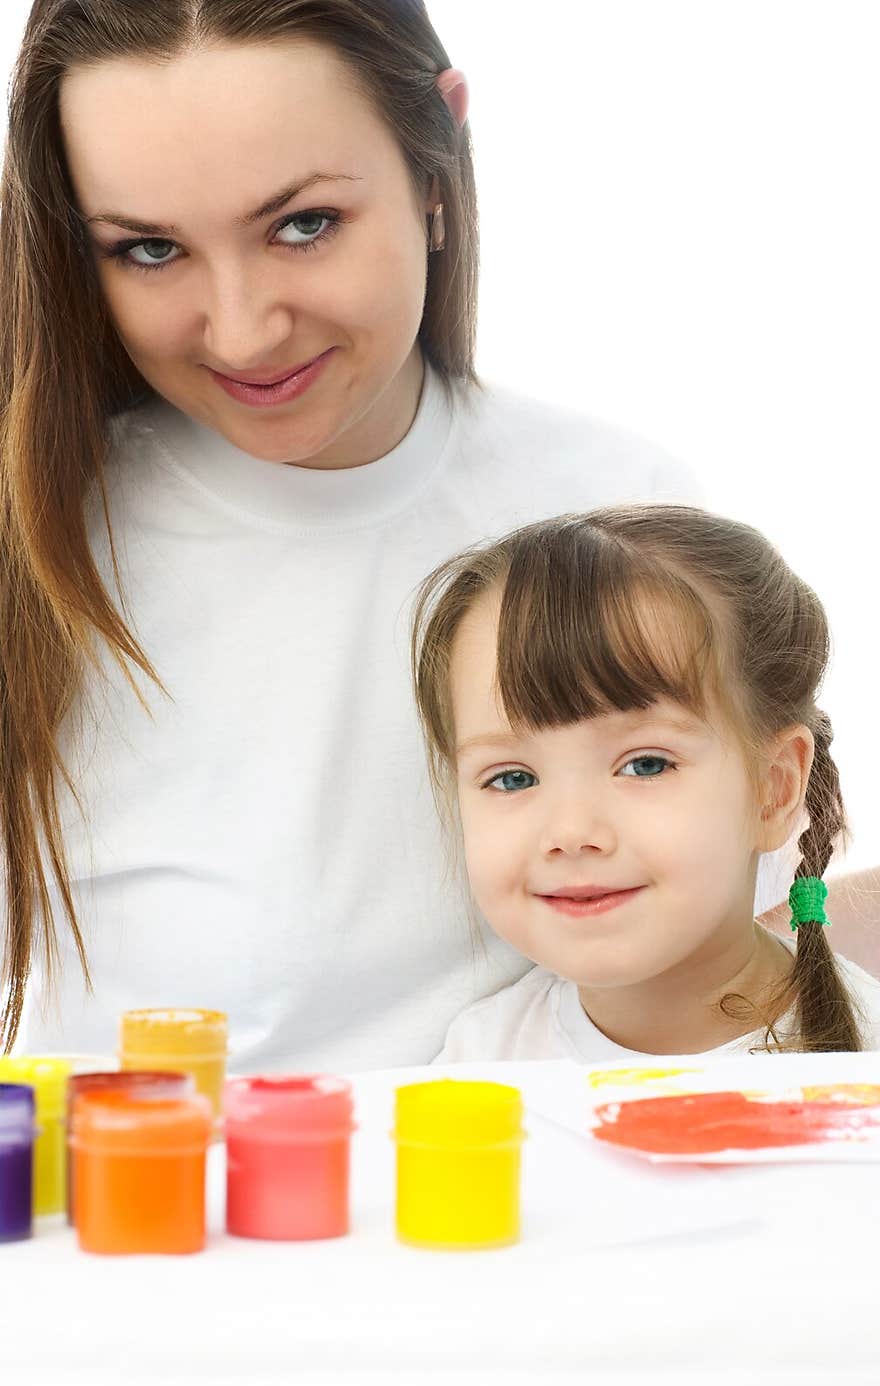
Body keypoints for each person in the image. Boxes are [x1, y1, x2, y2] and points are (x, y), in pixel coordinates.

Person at [0, 2, 873, 1070]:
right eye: (147, 248)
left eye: (303, 223)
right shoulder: (42, 541)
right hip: (138, 1225)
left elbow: (734, 943)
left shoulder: (612, 514)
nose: (240, 328)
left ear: (436, 168)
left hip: (533, 1217)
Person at [409, 505, 880, 1061]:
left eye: (645, 765)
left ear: (773, 789)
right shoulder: (479, 1066)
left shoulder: (863, 1050)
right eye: (513, 778)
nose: (571, 831)